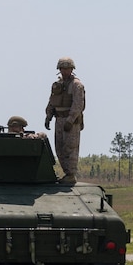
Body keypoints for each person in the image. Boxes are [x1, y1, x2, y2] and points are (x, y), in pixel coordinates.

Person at [44, 56, 86, 184]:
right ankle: (66, 173)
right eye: (62, 68)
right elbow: (52, 101)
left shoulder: (76, 85)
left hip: (71, 121)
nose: (65, 71)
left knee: (70, 148)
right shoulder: (58, 85)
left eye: (67, 68)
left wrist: (70, 120)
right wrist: (48, 116)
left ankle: (71, 174)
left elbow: (78, 104)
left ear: (72, 69)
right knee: (60, 148)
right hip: (59, 119)